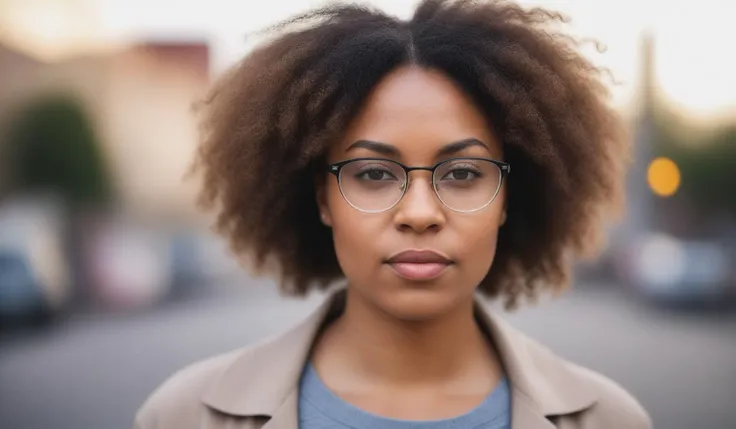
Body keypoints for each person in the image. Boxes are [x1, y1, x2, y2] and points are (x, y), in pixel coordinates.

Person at [134, 1, 651, 428]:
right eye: (375, 174)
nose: (420, 213)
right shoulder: (181, 416)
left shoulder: (613, 420)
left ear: (508, 198)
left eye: (464, 173)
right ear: (322, 199)